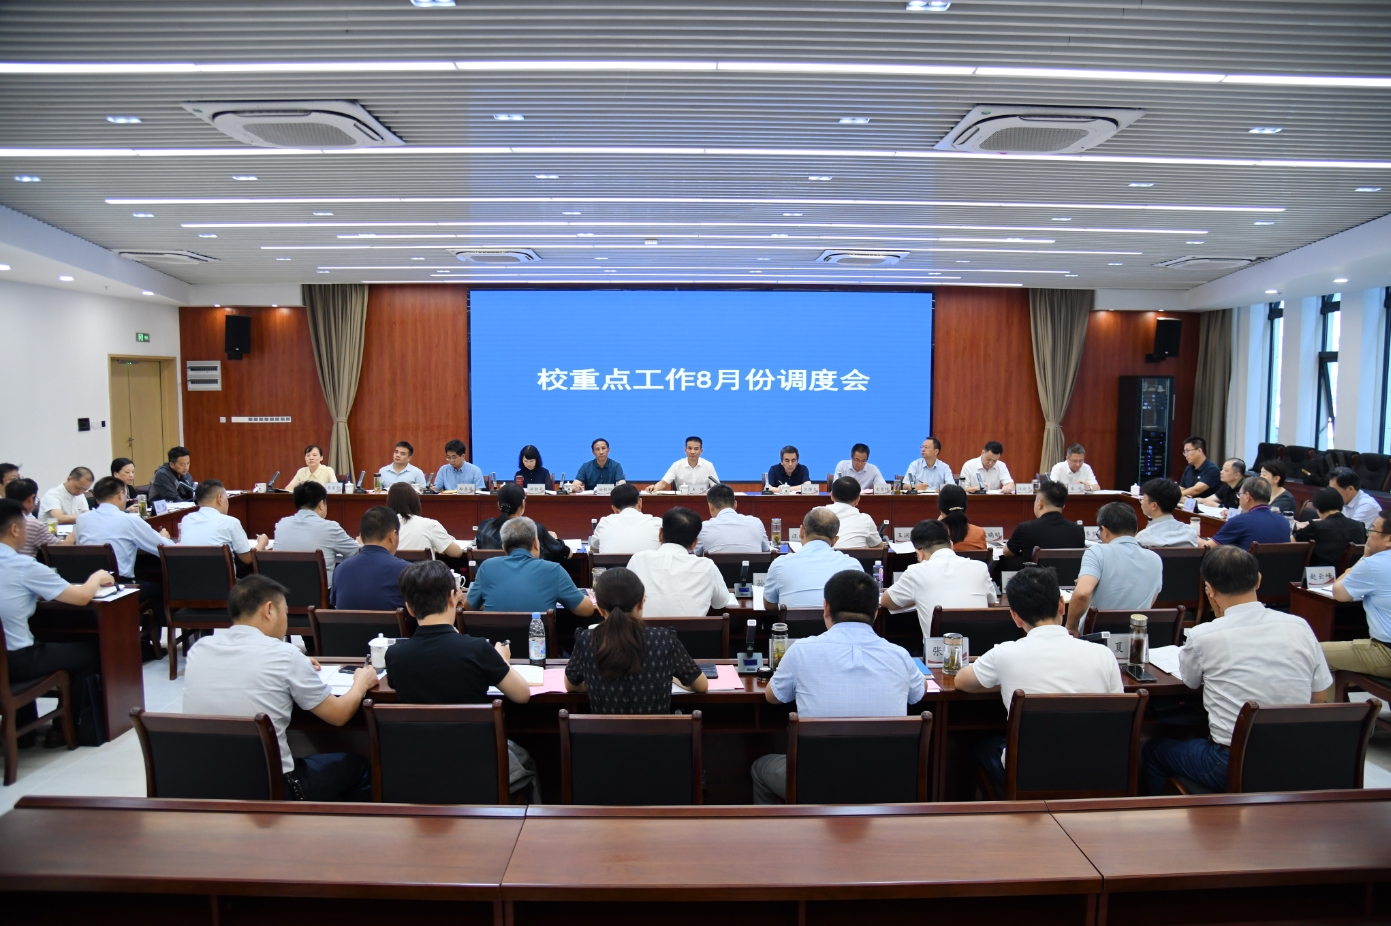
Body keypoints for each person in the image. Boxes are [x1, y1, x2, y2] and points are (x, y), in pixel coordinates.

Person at [1141, 546, 1331, 794]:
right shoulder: (1299, 626)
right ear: (1259, 580)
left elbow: (1191, 682)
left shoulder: (1203, 635)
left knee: (1153, 751)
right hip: (1294, 759)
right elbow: (1319, 696)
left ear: (1209, 589)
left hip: (1228, 763)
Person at [182, 575, 378, 801]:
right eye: (285, 612)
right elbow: (339, 714)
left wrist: (297, 663)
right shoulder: (285, 655)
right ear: (269, 610)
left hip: (206, 783)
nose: (286, 621)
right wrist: (361, 683)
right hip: (271, 787)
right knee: (358, 766)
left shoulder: (200, 649)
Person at [752, 570, 925, 804]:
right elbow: (919, 693)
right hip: (887, 783)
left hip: (817, 783)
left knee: (760, 768)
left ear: (826, 607)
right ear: (876, 611)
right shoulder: (900, 655)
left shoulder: (801, 650)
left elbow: (772, 697)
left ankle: (792, 827)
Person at [954, 566, 1123, 796]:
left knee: (981, 747)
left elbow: (962, 682)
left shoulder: (1005, 654)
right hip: (1096, 771)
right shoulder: (1104, 654)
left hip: (1029, 774)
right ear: (1062, 605)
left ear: (1015, 617)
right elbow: (1118, 716)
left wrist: (1002, 677)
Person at [385, 560, 539, 801]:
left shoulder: (395, 655)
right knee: (525, 758)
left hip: (418, 766)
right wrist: (502, 661)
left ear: (410, 609)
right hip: (476, 764)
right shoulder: (477, 650)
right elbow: (522, 695)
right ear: (452, 597)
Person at [0, 498, 110, 748]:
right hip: (15, 661)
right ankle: (63, 729)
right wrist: (96, 577)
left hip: (7, 657)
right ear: (15, 529)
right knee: (90, 652)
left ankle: (24, 729)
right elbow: (81, 597)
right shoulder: (23, 566)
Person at [565, 566, 708, 713]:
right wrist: (670, 676)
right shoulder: (664, 639)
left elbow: (571, 686)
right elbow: (701, 686)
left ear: (600, 609)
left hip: (604, 729)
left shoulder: (586, 640)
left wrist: (594, 682)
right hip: (658, 729)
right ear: (641, 603)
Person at [882, 520, 997, 640]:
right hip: (981, 647)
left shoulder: (915, 571)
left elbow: (886, 601)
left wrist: (914, 598)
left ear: (919, 553)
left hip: (939, 650)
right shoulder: (980, 567)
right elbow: (991, 603)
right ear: (951, 545)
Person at [465, 517, 595, 617]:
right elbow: (587, 610)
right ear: (536, 543)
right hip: (539, 645)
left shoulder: (487, 567)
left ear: (504, 548)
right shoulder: (553, 570)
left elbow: (469, 606)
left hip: (495, 644)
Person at [1065, 501, 1162, 631]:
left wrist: (1071, 626)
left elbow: (1082, 594)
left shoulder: (1097, 552)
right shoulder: (1155, 559)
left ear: (1104, 531)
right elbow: (1150, 600)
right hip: (1136, 634)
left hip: (1097, 636)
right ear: (1136, 530)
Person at [1321, 510, 1391, 679]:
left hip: (1385, 652)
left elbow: (1339, 593)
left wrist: (1364, 558)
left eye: (1373, 530)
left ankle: (1330, 699)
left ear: (1389, 539)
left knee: (1311, 653)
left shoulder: (1374, 563)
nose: (1369, 535)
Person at [626, 508, 731, 617]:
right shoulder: (707, 566)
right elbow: (720, 603)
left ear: (660, 534)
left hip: (643, 628)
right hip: (691, 629)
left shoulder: (638, 559)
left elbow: (625, 601)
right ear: (694, 543)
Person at [74, 476, 173, 583]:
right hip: (120, 585)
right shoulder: (130, 520)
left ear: (97, 499)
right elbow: (167, 549)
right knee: (159, 585)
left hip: (88, 583)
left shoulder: (81, 519)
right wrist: (163, 538)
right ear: (121, 495)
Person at [762, 509, 860, 610]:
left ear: (801, 531)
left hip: (795, 621)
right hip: (836, 621)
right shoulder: (853, 567)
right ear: (835, 540)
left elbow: (769, 605)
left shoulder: (779, 564)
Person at [272, 481, 359, 585]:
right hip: (321, 593)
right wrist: (360, 543)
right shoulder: (330, 527)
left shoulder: (281, 524)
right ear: (321, 504)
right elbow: (358, 553)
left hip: (282, 592)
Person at [329, 507, 408, 611]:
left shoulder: (340, 570)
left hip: (349, 623)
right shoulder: (406, 571)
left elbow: (335, 605)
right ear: (392, 536)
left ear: (361, 537)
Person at [178, 479, 267, 565]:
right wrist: (262, 542)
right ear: (220, 498)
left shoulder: (187, 520)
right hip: (219, 575)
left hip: (188, 575)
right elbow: (248, 559)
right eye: (226, 497)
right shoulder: (231, 522)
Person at [476, 483, 570, 562]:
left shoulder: (485, 526)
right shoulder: (533, 528)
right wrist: (554, 539)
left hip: (493, 578)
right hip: (528, 578)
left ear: (498, 505)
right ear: (523, 504)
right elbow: (566, 554)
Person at [1201, 477, 1290, 552]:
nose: (1239, 498)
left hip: (1248, 567)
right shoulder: (1284, 522)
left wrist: (1192, 533)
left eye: (1239, 495)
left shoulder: (1239, 521)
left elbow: (1207, 548)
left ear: (1247, 497)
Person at [1005, 480, 1085, 558]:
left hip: (1035, 568)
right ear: (1063, 506)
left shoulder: (1025, 529)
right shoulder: (1078, 530)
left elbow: (1007, 552)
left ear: (1040, 503)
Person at [1293, 486, 1368, 569]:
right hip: (1352, 573)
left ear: (1318, 508)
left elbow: (1292, 543)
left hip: (1319, 574)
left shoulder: (1317, 527)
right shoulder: (1360, 526)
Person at [386, 482, 464, 558]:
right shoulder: (430, 525)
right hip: (422, 567)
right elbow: (456, 552)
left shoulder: (382, 527)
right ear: (415, 502)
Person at [5, 478, 75, 557]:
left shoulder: (4, 519)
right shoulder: (33, 524)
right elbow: (62, 547)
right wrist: (74, 533)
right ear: (30, 499)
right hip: (24, 564)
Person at [694, 483, 770, 555]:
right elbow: (767, 551)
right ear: (735, 504)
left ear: (710, 506)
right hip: (752, 565)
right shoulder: (756, 523)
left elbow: (695, 554)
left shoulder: (703, 528)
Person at [589, 483, 662, 555]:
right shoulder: (658, 523)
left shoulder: (604, 523)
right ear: (640, 502)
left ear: (614, 509)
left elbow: (593, 551)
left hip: (613, 563)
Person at [818, 476, 883, 549]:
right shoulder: (866, 519)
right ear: (857, 499)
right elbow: (879, 548)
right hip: (855, 556)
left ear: (832, 496)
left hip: (824, 556)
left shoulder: (816, 513)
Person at [1135, 477, 1200, 548]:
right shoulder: (1191, 532)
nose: (1141, 502)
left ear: (1154, 505)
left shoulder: (1142, 539)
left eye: (1143, 499)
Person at [650, 436, 718, 493]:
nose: (692, 452)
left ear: (701, 451)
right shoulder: (677, 465)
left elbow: (716, 487)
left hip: (703, 501)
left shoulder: (708, 466)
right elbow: (663, 483)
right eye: (690, 448)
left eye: (696, 449)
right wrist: (654, 487)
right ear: (685, 450)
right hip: (682, 501)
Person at [938, 483, 987, 551]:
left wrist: (937, 524)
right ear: (965, 507)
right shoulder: (979, 533)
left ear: (941, 509)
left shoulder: (934, 535)